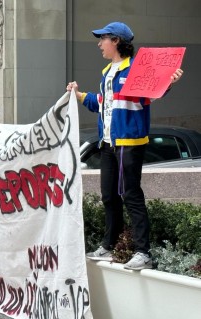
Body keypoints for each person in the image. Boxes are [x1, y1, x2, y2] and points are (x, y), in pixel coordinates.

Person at [66, 22, 183, 270]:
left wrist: (169, 82)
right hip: (108, 142)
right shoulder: (107, 72)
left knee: (131, 195)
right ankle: (109, 245)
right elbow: (102, 103)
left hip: (129, 142)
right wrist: (77, 95)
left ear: (116, 41)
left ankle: (143, 252)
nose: (100, 44)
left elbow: (152, 94)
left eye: (103, 39)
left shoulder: (136, 70)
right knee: (109, 195)